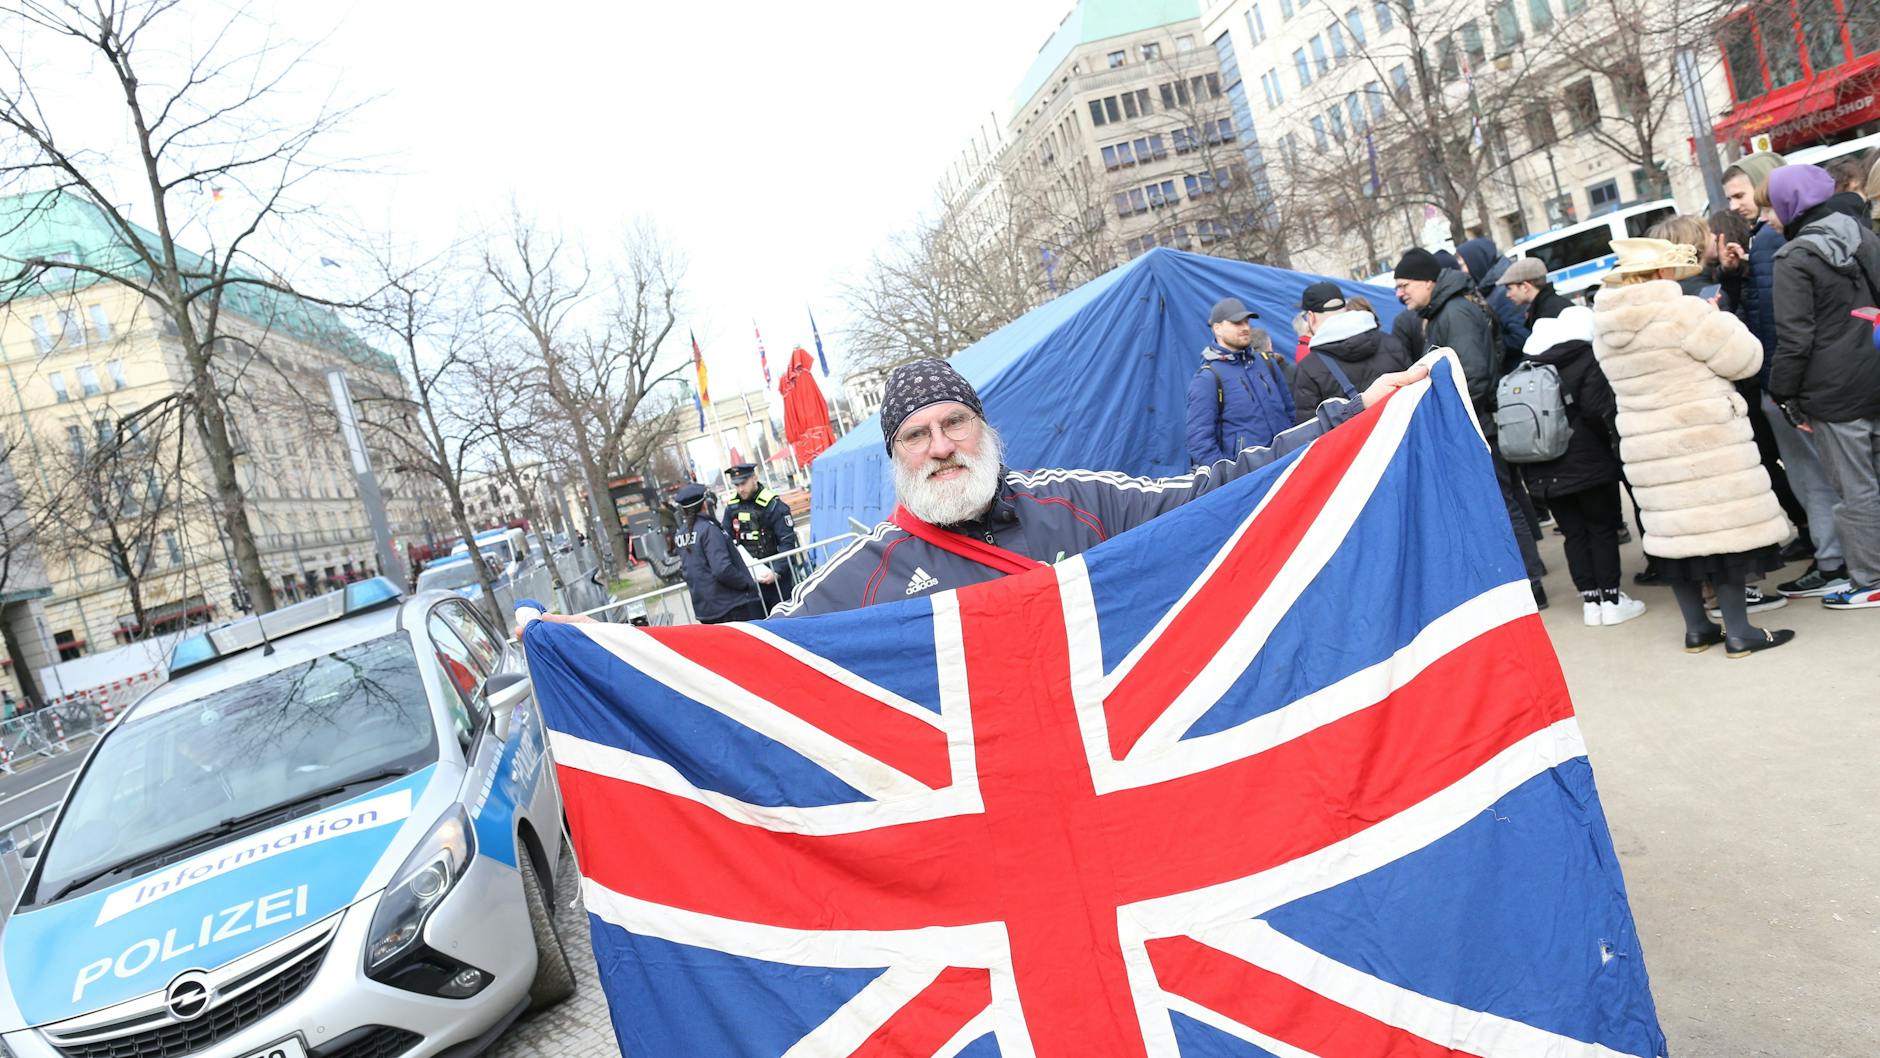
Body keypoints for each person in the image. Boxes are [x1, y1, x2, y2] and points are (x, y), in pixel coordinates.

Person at [771, 356, 1428, 617]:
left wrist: (1349, 420)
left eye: (954, 423)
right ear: (896, 458)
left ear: (984, 429)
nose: (941, 447)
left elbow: (1213, 494)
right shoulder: (864, 579)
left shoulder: (1077, 503)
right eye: (916, 435)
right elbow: (757, 665)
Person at [1592, 238, 1795, 656]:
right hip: (1705, 439)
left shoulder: (1605, 329)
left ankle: (1698, 629)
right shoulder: (1684, 312)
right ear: (1661, 273)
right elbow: (1745, 360)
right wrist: (1720, 319)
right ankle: (1740, 632)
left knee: (1675, 537)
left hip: (1648, 447)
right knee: (1722, 532)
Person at [1719, 151, 1846, 599]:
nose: (1735, 205)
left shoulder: (1773, 241)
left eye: (1740, 195)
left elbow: (1782, 326)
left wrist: (1781, 389)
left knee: (1813, 475)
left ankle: (1834, 562)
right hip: (1796, 379)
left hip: (1788, 382)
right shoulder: (1774, 238)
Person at [1397, 246, 1550, 607]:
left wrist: (1452, 414)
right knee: (1502, 502)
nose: (1399, 293)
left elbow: (1474, 374)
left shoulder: (1453, 311)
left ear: (1427, 281)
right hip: (1477, 420)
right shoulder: (1444, 309)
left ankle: (1531, 585)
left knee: (1500, 505)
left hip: (1478, 423)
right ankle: (1529, 576)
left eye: (1404, 285)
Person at [1767, 163, 1880, 609]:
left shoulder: (1794, 258)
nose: (1770, 214)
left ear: (1788, 204)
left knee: (1855, 490)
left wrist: (1783, 393)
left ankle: (1871, 578)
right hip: (1875, 372)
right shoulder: (1863, 235)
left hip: (1833, 393)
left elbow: (1795, 339)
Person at [1509, 307, 1642, 626]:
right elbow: (1597, 411)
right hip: (1589, 463)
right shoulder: (1585, 359)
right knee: (1602, 529)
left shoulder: (1525, 368)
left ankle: (1591, 603)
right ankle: (1612, 600)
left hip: (1543, 467)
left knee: (1574, 534)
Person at [1184, 297, 1299, 467]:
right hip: (1251, 473)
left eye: (1246, 322)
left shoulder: (1267, 363)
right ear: (1217, 328)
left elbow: (1290, 412)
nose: (1245, 327)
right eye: (1237, 323)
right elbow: (1199, 441)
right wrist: (1229, 475)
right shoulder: (1208, 378)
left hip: (1287, 462)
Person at [1291, 280, 1412, 420]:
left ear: (1310, 317)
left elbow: (1312, 426)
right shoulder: (1390, 341)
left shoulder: (1309, 367)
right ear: (1345, 308)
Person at [671, 483, 766, 624]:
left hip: (705, 609)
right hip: (729, 605)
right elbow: (722, 569)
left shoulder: (681, 534)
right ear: (704, 504)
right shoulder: (709, 529)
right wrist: (746, 583)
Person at [721, 462, 799, 611]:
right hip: (749, 579)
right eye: (736, 485)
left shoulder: (773, 505)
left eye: (743, 483)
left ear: (754, 478)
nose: (740, 489)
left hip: (776, 576)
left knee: (783, 616)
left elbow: (787, 541)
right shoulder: (732, 507)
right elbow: (726, 538)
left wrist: (777, 571)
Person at [1457, 237, 1531, 359]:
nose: (1463, 270)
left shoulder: (1504, 292)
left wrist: (1489, 341)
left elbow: (1522, 337)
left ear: (1476, 261)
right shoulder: (1489, 288)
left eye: (1464, 264)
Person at [1496, 257, 1572, 326]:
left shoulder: (1549, 313)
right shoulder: (1543, 307)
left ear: (1525, 287)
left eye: (1510, 288)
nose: (1508, 294)